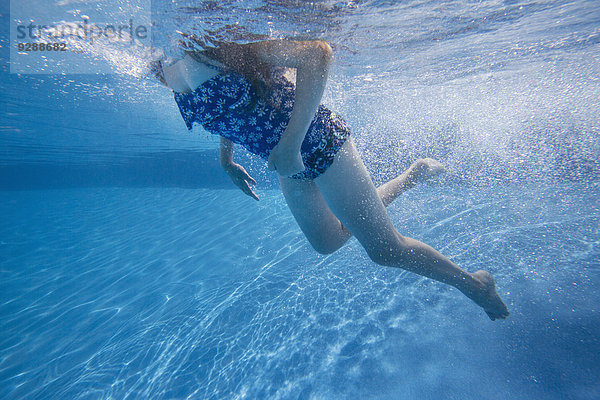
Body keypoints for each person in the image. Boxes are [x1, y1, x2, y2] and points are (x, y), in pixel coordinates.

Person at [152, 40, 509, 320]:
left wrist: (291, 145)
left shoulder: (213, 43)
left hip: (315, 141)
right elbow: (224, 107)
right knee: (326, 242)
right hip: (286, 161)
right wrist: (226, 159)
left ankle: (477, 285)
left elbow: (316, 55)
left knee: (386, 251)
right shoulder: (162, 66)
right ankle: (412, 176)